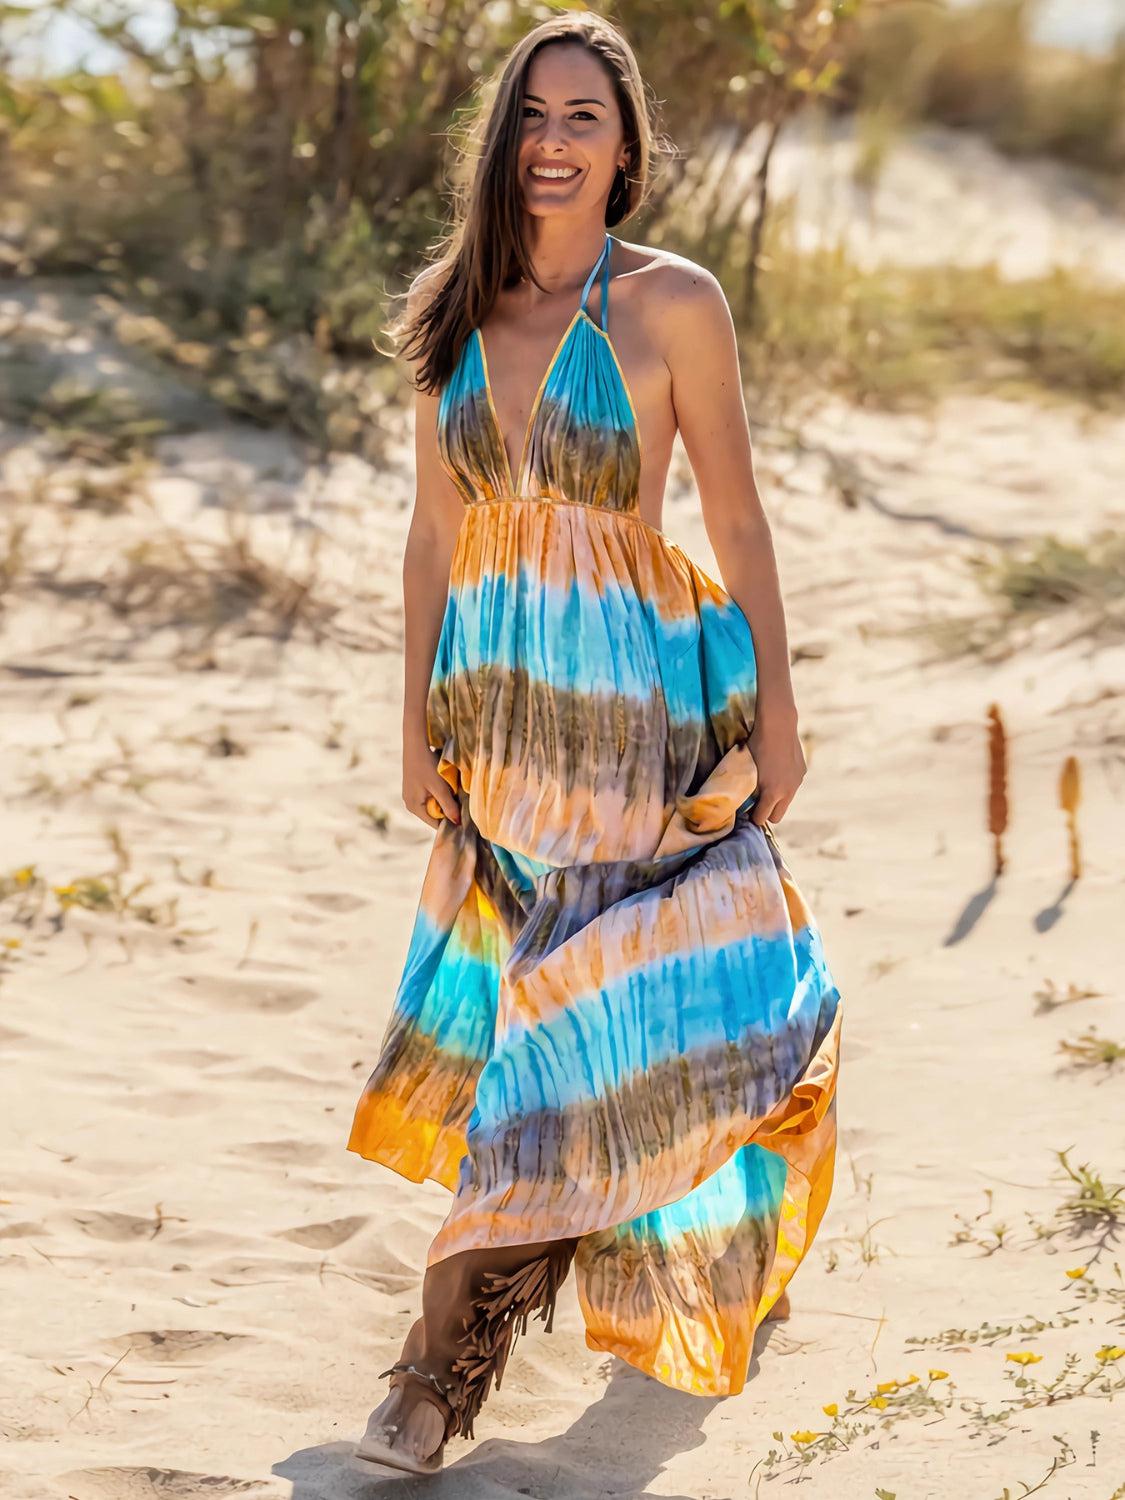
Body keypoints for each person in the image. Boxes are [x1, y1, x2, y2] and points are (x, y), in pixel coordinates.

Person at [347, 9, 843, 1478]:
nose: (551, 142)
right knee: (537, 1036)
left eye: (582, 119)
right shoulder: (456, 298)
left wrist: (781, 710)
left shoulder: (673, 303)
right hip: (496, 724)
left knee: (573, 1031)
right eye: (531, 116)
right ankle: (459, 1355)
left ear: (625, 151)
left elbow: (736, 518)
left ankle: (433, 1380)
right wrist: (412, 714)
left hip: (632, 716)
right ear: (498, 140)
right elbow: (433, 533)